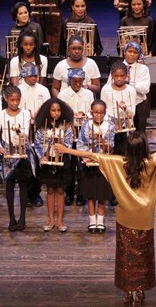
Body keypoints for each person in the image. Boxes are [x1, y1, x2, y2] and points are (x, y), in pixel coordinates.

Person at [55, 131, 156, 305]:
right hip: (145, 217)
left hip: (126, 217)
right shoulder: (151, 162)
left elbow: (91, 154)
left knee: (127, 255)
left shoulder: (118, 162)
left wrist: (66, 150)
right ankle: (140, 289)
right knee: (144, 256)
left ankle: (130, 291)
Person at [0, 85, 34, 232]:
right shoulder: (0, 115)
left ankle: (22, 217)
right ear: (6, 99)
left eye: (17, 100)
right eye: (12, 100)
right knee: (9, 186)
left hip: (22, 151)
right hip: (7, 151)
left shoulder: (25, 114)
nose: (15, 103)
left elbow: (26, 133)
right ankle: (11, 218)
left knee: (23, 185)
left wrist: (20, 133)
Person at [34, 98, 74, 232]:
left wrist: (61, 145)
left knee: (61, 190)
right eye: (53, 110)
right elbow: (38, 143)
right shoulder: (42, 126)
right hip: (48, 160)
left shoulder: (66, 126)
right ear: (48, 111)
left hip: (62, 160)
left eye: (58, 110)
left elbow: (68, 143)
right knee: (50, 189)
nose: (56, 113)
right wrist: (42, 155)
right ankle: (51, 220)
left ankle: (60, 220)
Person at [77, 100, 116, 233]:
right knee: (91, 194)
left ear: (105, 113)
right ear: (91, 112)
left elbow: (111, 147)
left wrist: (102, 140)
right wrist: (84, 157)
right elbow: (81, 144)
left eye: (101, 113)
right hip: (89, 165)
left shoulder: (109, 126)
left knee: (102, 194)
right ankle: (92, 220)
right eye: (96, 112)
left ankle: (100, 220)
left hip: (103, 165)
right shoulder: (86, 125)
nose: (98, 115)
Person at [58, 67, 94, 206]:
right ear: (70, 80)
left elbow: (92, 112)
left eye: (80, 81)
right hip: (69, 134)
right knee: (69, 166)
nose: (77, 84)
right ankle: (69, 193)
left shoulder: (88, 94)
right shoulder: (63, 94)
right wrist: (72, 117)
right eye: (75, 81)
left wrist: (84, 116)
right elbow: (61, 114)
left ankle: (81, 194)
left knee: (82, 166)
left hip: (83, 135)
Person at [105, 42, 151, 132]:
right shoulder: (117, 67)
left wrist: (129, 83)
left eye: (135, 52)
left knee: (139, 132)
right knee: (121, 132)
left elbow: (145, 89)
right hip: (120, 104)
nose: (132, 54)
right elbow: (108, 86)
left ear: (138, 55)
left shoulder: (143, 68)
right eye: (130, 51)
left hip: (138, 104)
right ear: (125, 52)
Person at [100, 60, 137, 136]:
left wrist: (125, 108)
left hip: (126, 126)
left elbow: (132, 113)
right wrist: (110, 123)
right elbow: (103, 110)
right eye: (116, 76)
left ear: (126, 76)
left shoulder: (131, 90)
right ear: (112, 75)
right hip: (109, 125)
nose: (119, 79)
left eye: (122, 76)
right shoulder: (105, 89)